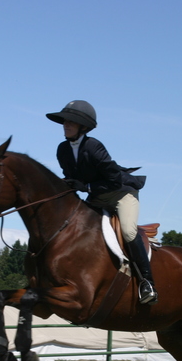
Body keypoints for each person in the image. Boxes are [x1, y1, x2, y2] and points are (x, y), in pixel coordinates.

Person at [46, 100, 157, 304]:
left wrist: (86, 187)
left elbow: (114, 181)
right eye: (65, 121)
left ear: (83, 127)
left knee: (128, 231)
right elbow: (71, 179)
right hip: (97, 197)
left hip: (121, 194)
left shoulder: (93, 146)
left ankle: (147, 283)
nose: (65, 125)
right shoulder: (62, 149)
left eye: (71, 121)